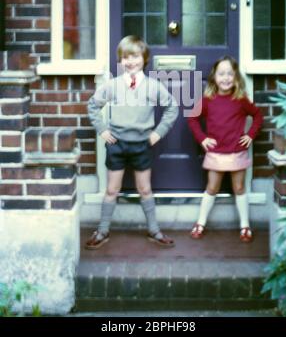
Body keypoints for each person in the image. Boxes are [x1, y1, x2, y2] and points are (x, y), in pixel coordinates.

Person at [85, 35, 179, 249]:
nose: (130, 61)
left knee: (144, 189)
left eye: (135, 56)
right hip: (117, 144)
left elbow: (172, 107)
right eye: (126, 57)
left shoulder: (153, 86)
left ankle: (154, 230)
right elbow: (92, 105)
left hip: (142, 145)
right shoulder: (113, 85)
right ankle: (102, 230)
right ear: (120, 60)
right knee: (112, 189)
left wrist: (158, 132)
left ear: (144, 58)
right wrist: (102, 129)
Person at [188, 56, 263, 243]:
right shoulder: (208, 100)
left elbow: (258, 116)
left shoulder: (241, 99)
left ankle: (245, 225)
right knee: (212, 187)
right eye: (222, 74)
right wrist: (202, 138)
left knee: (239, 187)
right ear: (214, 77)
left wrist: (250, 134)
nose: (226, 78)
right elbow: (192, 118)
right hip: (216, 153)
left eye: (230, 74)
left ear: (236, 77)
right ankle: (200, 222)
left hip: (237, 151)